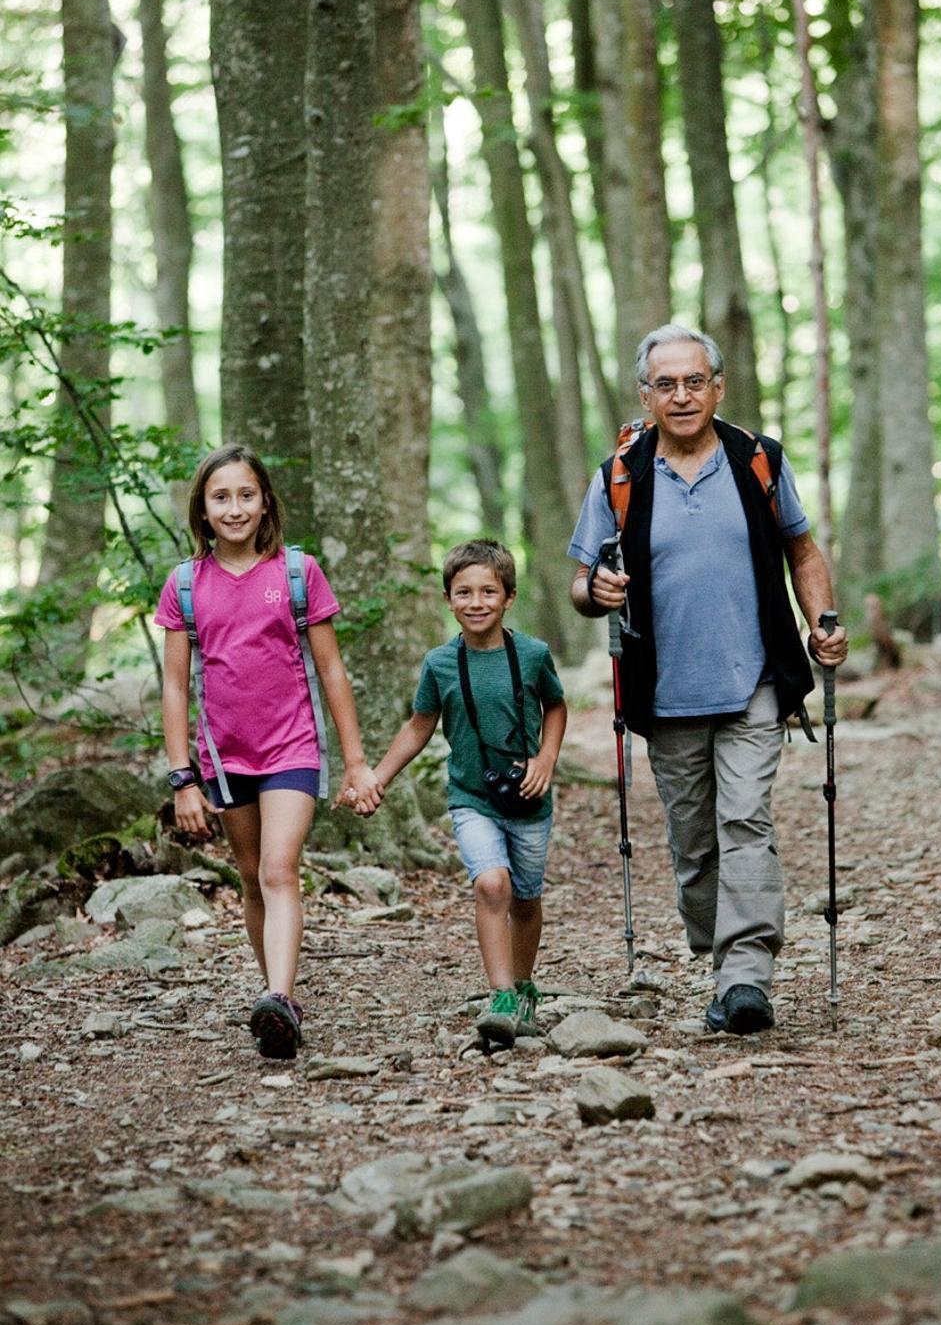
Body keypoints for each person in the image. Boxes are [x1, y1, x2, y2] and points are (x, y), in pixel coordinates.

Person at [568, 324, 847, 1035]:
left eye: (695, 381)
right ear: (646, 395)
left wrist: (823, 621)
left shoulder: (757, 459)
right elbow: (578, 580)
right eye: (667, 384)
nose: (682, 395)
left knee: (746, 821)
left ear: (718, 387)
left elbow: (803, 551)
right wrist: (593, 588)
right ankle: (718, 954)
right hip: (663, 692)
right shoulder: (620, 475)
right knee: (694, 845)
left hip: (753, 678)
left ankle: (746, 974)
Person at [156, 443, 381, 1060]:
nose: (235, 508)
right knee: (252, 877)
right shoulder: (185, 584)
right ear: (202, 510)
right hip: (225, 759)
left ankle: (281, 998)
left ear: (265, 502)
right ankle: (271, 999)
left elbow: (332, 671)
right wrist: (183, 778)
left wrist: (357, 762)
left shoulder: (295, 574)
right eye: (220, 497)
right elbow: (176, 685)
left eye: (246, 495)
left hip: (292, 748)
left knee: (280, 869)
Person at [355, 539, 567, 1048]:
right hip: (471, 796)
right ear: (448, 599)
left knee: (527, 898)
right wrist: (377, 778)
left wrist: (545, 760)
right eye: (463, 592)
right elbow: (418, 725)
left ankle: (523, 984)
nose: (476, 602)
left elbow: (557, 707)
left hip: (529, 798)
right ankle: (500, 997)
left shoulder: (534, 654)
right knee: (492, 884)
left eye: (488, 591)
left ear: (508, 597)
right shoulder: (440, 663)